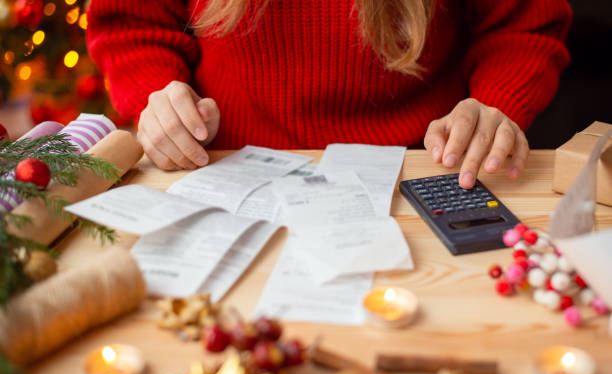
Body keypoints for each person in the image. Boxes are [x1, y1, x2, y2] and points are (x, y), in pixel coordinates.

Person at [87, 0, 572, 188]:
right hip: (224, 170)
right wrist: (159, 95)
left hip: (425, 173)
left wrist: (495, 105)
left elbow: (524, 27)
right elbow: (133, 25)